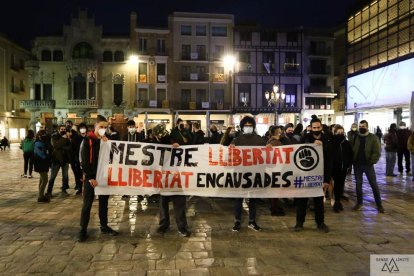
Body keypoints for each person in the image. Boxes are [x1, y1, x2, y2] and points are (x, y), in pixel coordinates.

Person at [79, 115, 118, 242]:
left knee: (104, 203)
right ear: (95, 126)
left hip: (103, 177)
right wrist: (90, 177)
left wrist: (107, 144)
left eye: (106, 127)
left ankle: (104, 225)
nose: (103, 129)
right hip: (91, 178)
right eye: (101, 127)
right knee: (87, 204)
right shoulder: (87, 140)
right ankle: (83, 230)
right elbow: (83, 161)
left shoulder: (106, 141)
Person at [294, 115, 331, 233]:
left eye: (318, 127)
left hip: (319, 177)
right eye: (314, 128)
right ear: (311, 128)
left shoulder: (327, 140)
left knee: (319, 201)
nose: (316, 129)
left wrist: (327, 179)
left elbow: (330, 162)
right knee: (302, 201)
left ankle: (320, 223)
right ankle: (299, 223)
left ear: (321, 127)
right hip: (305, 175)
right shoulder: (305, 138)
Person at [154, 123, 191, 237]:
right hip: (162, 178)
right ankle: (164, 225)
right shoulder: (152, 142)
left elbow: (186, 146)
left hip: (175, 177)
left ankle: (182, 227)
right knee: (163, 204)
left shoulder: (172, 139)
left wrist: (176, 145)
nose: (160, 137)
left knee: (179, 204)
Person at [231, 116, 266, 232]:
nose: (248, 127)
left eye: (250, 126)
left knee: (253, 199)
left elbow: (266, 155)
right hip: (240, 174)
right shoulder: (236, 140)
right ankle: (237, 221)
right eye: (246, 126)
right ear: (242, 127)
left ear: (253, 127)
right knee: (238, 199)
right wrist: (230, 149)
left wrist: (270, 148)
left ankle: (252, 221)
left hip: (254, 174)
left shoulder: (260, 140)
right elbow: (229, 156)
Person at [351, 120, 384, 213]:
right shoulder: (355, 136)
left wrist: (371, 161)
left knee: (374, 185)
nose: (361, 128)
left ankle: (379, 205)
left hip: (368, 165)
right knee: (358, 185)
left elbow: (377, 152)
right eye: (360, 126)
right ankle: (359, 203)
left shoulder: (373, 137)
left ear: (367, 127)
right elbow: (351, 147)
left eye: (363, 126)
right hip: (357, 165)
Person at [331, 125, 353, 213]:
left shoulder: (346, 143)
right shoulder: (332, 142)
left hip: (343, 168)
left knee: (340, 185)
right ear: (335, 133)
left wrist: (348, 165)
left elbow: (350, 154)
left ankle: (338, 201)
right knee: (335, 185)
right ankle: (335, 202)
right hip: (334, 168)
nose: (340, 134)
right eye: (338, 132)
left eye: (341, 132)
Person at [45, 125, 72, 197]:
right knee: (52, 176)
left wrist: (61, 145)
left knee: (65, 176)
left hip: (65, 160)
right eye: (61, 129)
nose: (63, 130)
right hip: (56, 160)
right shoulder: (54, 136)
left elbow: (69, 147)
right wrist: (63, 138)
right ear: (58, 130)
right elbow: (55, 146)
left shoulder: (68, 137)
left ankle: (64, 190)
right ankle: (49, 191)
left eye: (64, 129)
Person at [266, 125, 287, 216]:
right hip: (275, 168)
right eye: (279, 131)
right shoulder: (275, 142)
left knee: (273, 188)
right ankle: (274, 208)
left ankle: (273, 206)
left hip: (272, 168)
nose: (281, 132)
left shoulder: (272, 141)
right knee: (275, 189)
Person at [33, 130, 51, 203]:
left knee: (42, 179)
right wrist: (46, 155)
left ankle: (41, 195)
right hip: (40, 163)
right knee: (45, 180)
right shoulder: (38, 143)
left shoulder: (41, 142)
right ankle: (40, 197)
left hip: (42, 164)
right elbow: (41, 154)